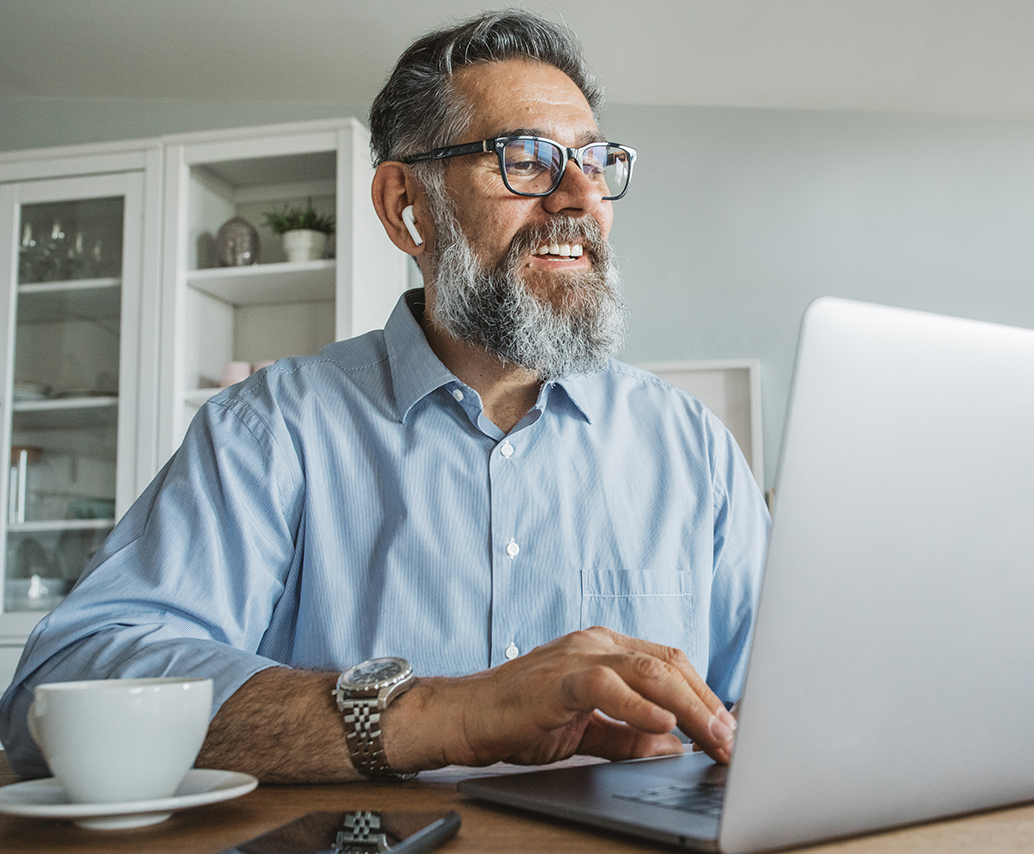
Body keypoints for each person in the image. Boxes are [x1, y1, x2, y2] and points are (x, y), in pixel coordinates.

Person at [0, 11, 768, 782]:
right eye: (526, 159)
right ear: (407, 205)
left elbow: (782, 708)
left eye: (594, 161)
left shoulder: (692, 448)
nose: (577, 197)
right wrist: (450, 712)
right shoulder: (272, 431)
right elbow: (62, 689)